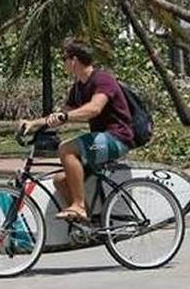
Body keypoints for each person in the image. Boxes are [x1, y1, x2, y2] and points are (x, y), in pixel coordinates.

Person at [20, 39, 133, 222]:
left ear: (74, 60)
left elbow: (94, 109)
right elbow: (62, 114)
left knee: (67, 149)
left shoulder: (102, 79)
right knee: (60, 180)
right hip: (100, 141)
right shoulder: (79, 87)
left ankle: (79, 206)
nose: (62, 63)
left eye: (64, 59)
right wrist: (34, 123)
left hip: (117, 139)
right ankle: (89, 225)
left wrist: (66, 117)